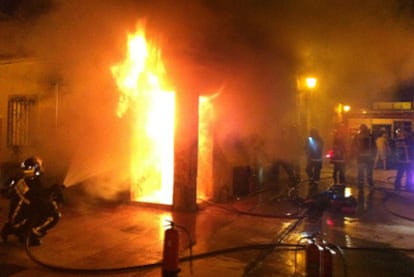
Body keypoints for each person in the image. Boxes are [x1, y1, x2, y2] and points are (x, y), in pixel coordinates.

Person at [1, 156, 64, 246]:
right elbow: (42, 204)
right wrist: (55, 196)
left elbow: (38, 194)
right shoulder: (32, 186)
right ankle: (30, 234)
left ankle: (11, 228)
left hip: (13, 220)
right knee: (54, 215)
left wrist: (52, 189)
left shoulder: (23, 181)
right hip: (20, 222)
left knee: (33, 208)